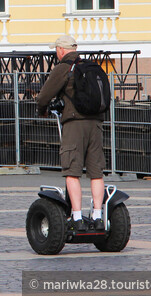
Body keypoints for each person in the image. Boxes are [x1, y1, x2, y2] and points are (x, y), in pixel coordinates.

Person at [36, 34, 106, 231]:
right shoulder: (90, 66)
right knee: (96, 172)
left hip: (74, 123)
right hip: (96, 123)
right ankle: (98, 216)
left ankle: (76, 218)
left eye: (56, 50)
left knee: (72, 171)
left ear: (61, 50)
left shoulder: (63, 68)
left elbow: (43, 97)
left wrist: (42, 110)